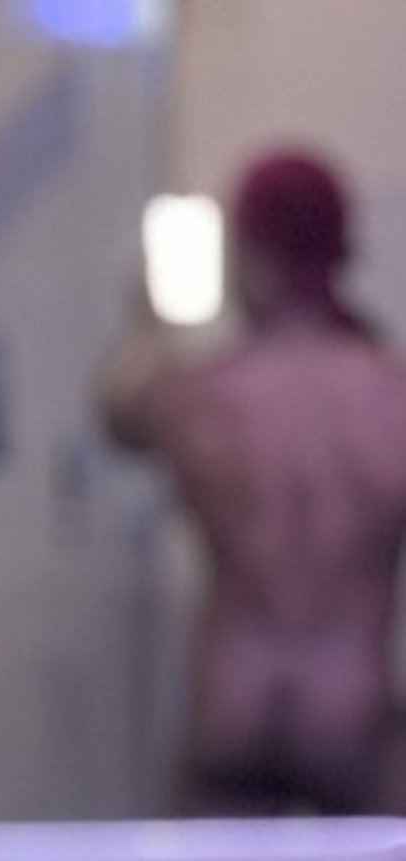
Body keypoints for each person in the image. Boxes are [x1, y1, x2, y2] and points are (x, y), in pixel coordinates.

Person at [99, 150, 406, 815]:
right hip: (349, 709)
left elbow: (115, 415)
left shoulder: (198, 395)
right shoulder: (391, 394)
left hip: (235, 710)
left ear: (253, 259)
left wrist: (145, 321)